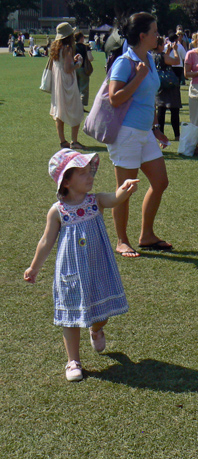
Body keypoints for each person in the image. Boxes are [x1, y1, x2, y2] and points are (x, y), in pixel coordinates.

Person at [24, 148, 139, 381]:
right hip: (71, 271)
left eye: (90, 172)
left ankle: (96, 330)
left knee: (101, 313)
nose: (90, 177)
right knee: (71, 317)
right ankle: (73, 360)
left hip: (98, 267)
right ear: (66, 181)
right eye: (83, 173)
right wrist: (34, 267)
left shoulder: (95, 200)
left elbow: (115, 198)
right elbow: (46, 241)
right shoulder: (58, 211)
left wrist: (125, 189)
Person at [107, 12, 172, 257]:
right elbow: (115, 98)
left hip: (144, 133)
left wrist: (155, 128)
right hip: (126, 133)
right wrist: (139, 77)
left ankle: (146, 235)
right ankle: (121, 240)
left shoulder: (150, 59)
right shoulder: (126, 61)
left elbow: (148, 99)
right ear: (142, 36)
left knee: (160, 182)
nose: (158, 35)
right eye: (154, 31)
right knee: (125, 189)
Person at [49, 22, 85, 149]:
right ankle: (74, 141)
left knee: (60, 111)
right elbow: (68, 69)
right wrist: (79, 63)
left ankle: (62, 140)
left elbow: (62, 64)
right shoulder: (67, 48)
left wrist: (71, 60)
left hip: (57, 82)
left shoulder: (55, 47)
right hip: (67, 82)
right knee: (76, 110)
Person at [154, 36, 182, 141]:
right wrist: (175, 50)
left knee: (161, 109)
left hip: (158, 85)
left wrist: (168, 50)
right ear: (160, 45)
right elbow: (176, 61)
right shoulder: (162, 56)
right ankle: (177, 135)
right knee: (174, 110)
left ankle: (160, 133)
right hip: (169, 84)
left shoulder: (151, 56)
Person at [74, 31, 94, 110]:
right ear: (81, 38)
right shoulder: (86, 47)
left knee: (76, 87)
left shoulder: (72, 47)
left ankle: (75, 105)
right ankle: (81, 106)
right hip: (83, 69)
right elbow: (90, 58)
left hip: (74, 68)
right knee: (83, 88)